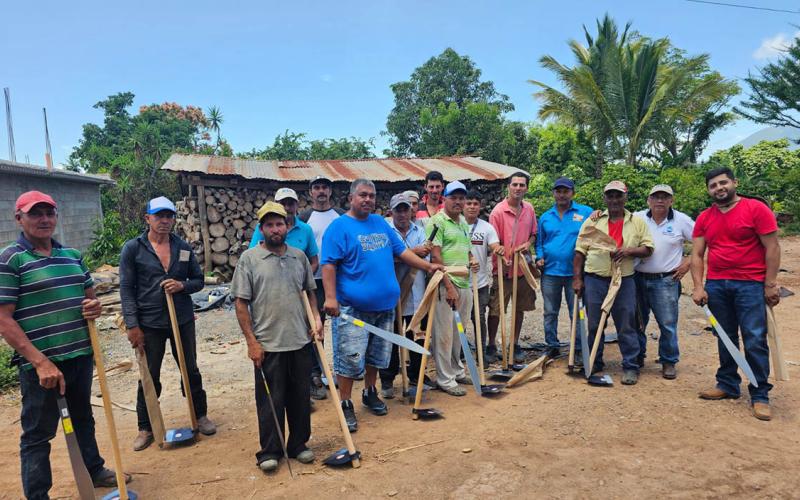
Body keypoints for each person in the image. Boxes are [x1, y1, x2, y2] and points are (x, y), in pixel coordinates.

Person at [0, 191, 130, 498]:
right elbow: (4, 319)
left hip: (80, 355)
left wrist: (94, 307)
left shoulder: (72, 255)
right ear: (19, 218)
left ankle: (93, 470)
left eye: (49, 213)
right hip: (42, 365)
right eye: (35, 213)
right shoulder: (11, 259)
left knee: (82, 418)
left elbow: (90, 300)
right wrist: (40, 362)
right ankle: (38, 495)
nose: (44, 219)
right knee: (38, 433)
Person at [320, 179, 442, 432]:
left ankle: (369, 392)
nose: (368, 199)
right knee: (350, 358)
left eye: (371, 196)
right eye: (362, 195)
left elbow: (402, 252)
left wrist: (428, 266)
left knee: (375, 356)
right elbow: (328, 264)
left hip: (385, 307)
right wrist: (330, 298)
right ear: (351, 198)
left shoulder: (379, 223)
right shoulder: (339, 227)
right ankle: (345, 402)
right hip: (353, 308)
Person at [231, 201, 323, 472]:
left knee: (300, 398)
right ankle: (270, 450)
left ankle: (298, 445)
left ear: (287, 226)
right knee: (270, 401)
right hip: (268, 344)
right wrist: (251, 342)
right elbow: (240, 304)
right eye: (269, 225)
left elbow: (310, 293)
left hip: (300, 340)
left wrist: (316, 320)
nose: (275, 229)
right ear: (261, 229)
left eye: (279, 224)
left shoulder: (299, 257)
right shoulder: (249, 260)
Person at [119, 196, 216, 451]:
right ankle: (146, 426)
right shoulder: (133, 249)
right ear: (147, 218)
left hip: (181, 319)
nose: (164, 220)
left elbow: (198, 280)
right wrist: (132, 325)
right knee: (149, 373)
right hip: (149, 322)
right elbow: (126, 289)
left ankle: (200, 415)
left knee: (190, 368)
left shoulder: (182, 247)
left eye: (169, 216)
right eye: (159, 216)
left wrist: (182, 285)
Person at [691, 167, 780, 421]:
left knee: (754, 338)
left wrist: (770, 283)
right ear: (708, 190)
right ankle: (728, 384)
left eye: (723, 183)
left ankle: (760, 394)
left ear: (734, 183)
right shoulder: (705, 217)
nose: (719, 188)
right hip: (717, 285)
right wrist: (698, 286)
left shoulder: (755, 209)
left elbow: (772, 247)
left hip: (750, 284)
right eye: (713, 185)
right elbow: (697, 254)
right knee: (724, 336)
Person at [573, 181, 654, 385]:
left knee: (626, 323)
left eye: (618, 195)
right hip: (595, 279)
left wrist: (628, 251)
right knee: (594, 323)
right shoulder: (593, 221)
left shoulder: (636, 222)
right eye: (610, 196)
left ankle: (630, 366)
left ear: (625, 197)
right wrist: (577, 279)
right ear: (605, 198)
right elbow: (580, 251)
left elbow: (648, 248)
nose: (614, 200)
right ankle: (594, 361)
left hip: (624, 280)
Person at [634, 184, 694, 380]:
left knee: (667, 323)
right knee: (637, 321)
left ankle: (668, 360)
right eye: (655, 196)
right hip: (637, 278)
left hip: (666, 280)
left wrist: (688, 263)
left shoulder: (681, 220)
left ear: (671, 200)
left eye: (664, 197)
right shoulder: (637, 218)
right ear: (648, 200)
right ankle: (637, 356)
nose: (660, 200)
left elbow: (704, 241)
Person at [428, 181, 480, 396]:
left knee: (459, 332)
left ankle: (457, 370)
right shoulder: (437, 222)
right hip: (445, 284)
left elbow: (467, 251)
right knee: (444, 334)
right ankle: (445, 379)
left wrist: (472, 260)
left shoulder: (463, 222)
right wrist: (448, 286)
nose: (458, 202)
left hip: (465, 283)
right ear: (445, 199)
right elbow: (435, 257)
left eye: (461, 198)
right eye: (454, 198)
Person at [379, 193, 432, 398]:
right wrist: (412, 253)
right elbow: (385, 256)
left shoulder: (420, 231)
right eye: (398, 210)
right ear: (391, 212)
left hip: (416, 294)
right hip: (391, 295)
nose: (402, 214)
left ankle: (416, 378)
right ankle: (387, 380)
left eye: (406, 209)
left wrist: (404, 255)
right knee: (390, 339)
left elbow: (425, 258)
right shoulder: (385, 230)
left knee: (417, 338)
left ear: (411, 211)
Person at [535, 177, 593, 360]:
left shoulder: (585, 212)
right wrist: (539, 257)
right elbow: (539, 243)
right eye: (558, 191)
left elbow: (596, 231)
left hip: (575, 274)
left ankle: (578, 348)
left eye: (565, 191)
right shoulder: (546, 217)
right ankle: (552, 345)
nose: (562, 195)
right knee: (550, 311)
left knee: (576, 311)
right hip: (550, 272)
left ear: (572, 193)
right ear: (553, 193)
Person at [299, 176, 345, 400]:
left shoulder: (341, 216)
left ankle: (342, 370)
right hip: (313, 281)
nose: (321, 191)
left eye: (324, 187)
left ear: (330, 191)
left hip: (339, 279)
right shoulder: (304, 218)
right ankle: (316, 373)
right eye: (316, 188)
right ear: (310, 192)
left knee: (341, 326)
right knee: (315, 327)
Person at [487, 172, 538, 364]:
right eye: (514, 184)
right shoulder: (498, 212)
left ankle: (514, 344)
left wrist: (527, 244)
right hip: (502, 269)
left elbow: (533, 234)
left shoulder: (529, 209)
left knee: (519, 308)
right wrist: (502, 255)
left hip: (522, 269)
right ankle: (491, 345)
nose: (518, 188)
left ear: (526, 188)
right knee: (496, 309)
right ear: (508, 187)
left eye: (522, 185)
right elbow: (493, 242)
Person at [464, 190, 501, 362]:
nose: (472, 207)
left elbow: (494, 245)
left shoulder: (487, 227)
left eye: (475, 204)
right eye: (469, 203)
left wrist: (498, 249)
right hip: (459, 282)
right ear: (463, 205)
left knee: (478, 319)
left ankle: (481, 354)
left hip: (479, 283)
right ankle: (459, 353)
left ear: (480, 206)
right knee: (459, 319)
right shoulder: (455, 225)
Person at [249, 188, 319, 274]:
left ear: (297, 205)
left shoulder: (306, 229)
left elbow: (314, 262)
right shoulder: (264, 227)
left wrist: (304, 280)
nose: (287, 208)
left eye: (290, 204)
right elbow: (251, 258)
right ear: (276, 204)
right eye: (283, 203)